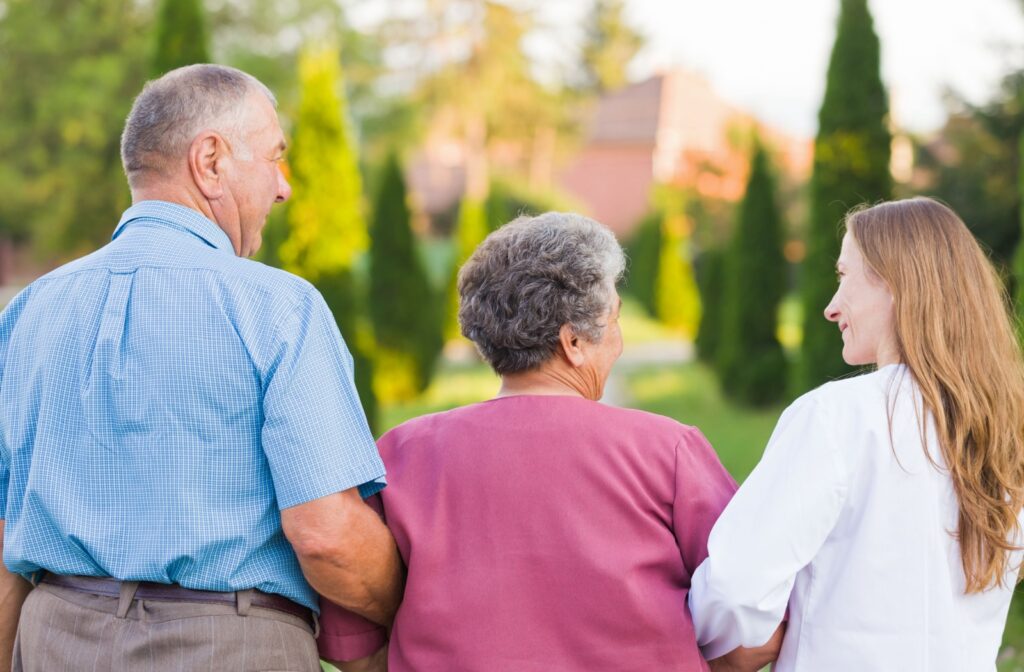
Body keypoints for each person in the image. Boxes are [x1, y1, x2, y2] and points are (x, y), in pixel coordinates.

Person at [0, 64, 402, 671]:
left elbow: (5, 535)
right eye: (274, 158)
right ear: (210, 160)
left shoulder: (29, 309)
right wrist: (412, 608)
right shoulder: (278, 307)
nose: (284, 186)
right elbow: (327, 536)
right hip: (226, 646)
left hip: (55, 636)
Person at [317, 212, 783, 671]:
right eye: (613, 320)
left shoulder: (399, 455)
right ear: (573, 342)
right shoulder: (667, 451)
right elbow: (755, 627)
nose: (618, 341)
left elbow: (352, 643)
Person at [688, 197, 1024, 671]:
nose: (830, 307)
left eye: (844, 277)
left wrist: (716, 644)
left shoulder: (837, 417)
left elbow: (735, 586)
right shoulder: (1003, 430)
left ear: (895, 282)